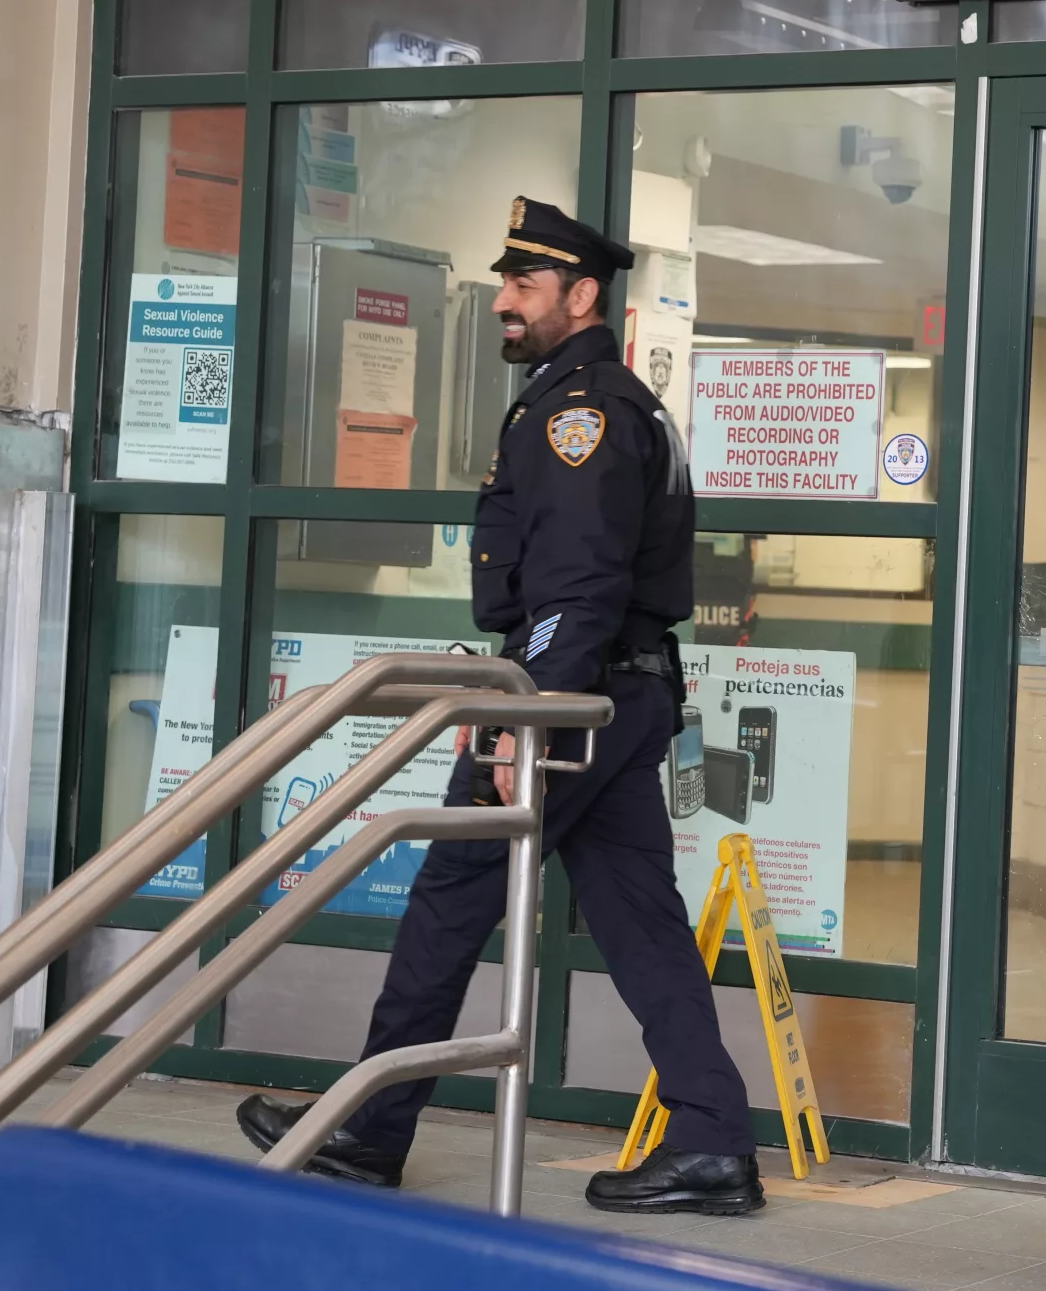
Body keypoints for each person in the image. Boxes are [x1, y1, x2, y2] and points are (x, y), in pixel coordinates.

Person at [236, 197, 762, 1216]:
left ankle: (366, 1130)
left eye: (525, 284)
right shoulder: (593, 399)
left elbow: (580, 581)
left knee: (450, 896)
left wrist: (533, 715)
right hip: (614, 696)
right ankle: (712, 1142)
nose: (503, 302)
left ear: (582, 294)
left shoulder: (581, 414)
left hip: (570, 697)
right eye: (504, 284)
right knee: (641, 923)